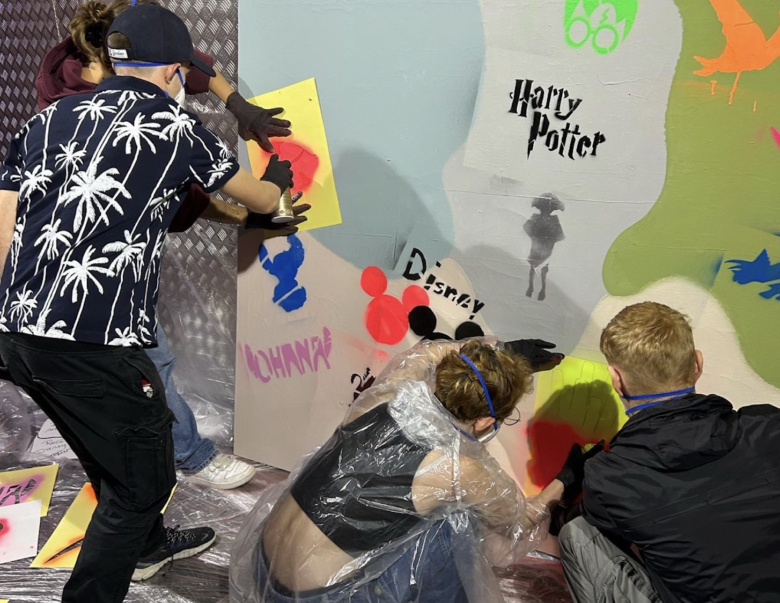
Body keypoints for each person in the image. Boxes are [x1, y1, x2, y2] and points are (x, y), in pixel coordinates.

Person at [0, 4, 295, 601]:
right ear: (174, 71)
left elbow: (3, 226)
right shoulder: (175, 125)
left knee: (109, 454)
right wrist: (279, 184)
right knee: (145, 484)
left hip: (17, 336)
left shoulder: (45, 120)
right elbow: (260, 199)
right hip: (96, 346)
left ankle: (149, 548)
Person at [35, 0, 309, 489]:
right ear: (162, 69)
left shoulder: (52, 115)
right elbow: (197, 198)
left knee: (101, 386)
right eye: (179, 70)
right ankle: (182, 460)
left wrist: (236, 103)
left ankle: (132, 474)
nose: (186, 79)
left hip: (27, 296)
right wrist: (258, 204)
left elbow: (196, 73)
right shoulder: (167, 126)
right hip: (99, 284)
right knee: (149, 364)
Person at [230, 337, 596, 603]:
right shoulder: (457, 469)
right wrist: (562, 482)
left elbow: (426, 352)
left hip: (263, 567)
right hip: (319, 597)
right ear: (486, 421)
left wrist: (499, 351)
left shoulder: (387, 395)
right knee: (456, 524)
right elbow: (518, 520)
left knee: (433, 511)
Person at [555, 302, 780, 603]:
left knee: (577, 534)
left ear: (615, 379)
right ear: (697, 364)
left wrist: (561, 490)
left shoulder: (610, 477)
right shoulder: (768, 426)